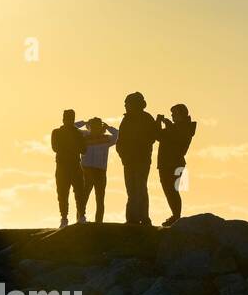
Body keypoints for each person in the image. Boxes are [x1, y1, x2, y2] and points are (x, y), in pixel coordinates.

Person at [115, 92, 157, 225]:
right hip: (129, 160)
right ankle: (132, 218)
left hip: (142, 159)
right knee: (131, 189)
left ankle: (143, 217)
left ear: (135, 104)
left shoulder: (146, 118)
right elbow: (120, 141)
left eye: (128, 103)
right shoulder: (126, 119)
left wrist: (139, 148)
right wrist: (124, 156)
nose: (125, 106)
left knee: (140, 187)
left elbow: (152, 137)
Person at [155, 104, 196, 227]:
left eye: (174, 114)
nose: (172, 116)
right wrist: (163, 123)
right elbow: (161, 136)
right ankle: (175, 216)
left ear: (181, 114)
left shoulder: (185, 128)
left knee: (172, 190)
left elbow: (170, 137)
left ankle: (176, 216)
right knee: (170, 190)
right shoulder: (178, 127)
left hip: (174, 163)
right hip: (169, 163)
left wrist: (165, 124)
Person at [75, 117, 118, 223]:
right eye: (92, 126)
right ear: (89, 127)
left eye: (97, 126)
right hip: (87, 171)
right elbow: (72, 128)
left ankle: (98, 222)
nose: (94, 128)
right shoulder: (84, 136)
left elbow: (118, 134)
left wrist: (108, 127)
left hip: (100, 172)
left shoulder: (106, 138)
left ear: (100, 127)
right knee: (84, 198)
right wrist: (84, 123)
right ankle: (80, 219)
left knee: (99, 199)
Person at [50, 109, 87, 227]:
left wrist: (70, 145)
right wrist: (72, 145)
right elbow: (55, 147)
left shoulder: (76, 133)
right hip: (64, 166)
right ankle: (65, 218)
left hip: (73, 165)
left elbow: (83, 149)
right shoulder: (58, 132)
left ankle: (79, 216)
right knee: (63, 193)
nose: (69, 120)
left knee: (77, 193)